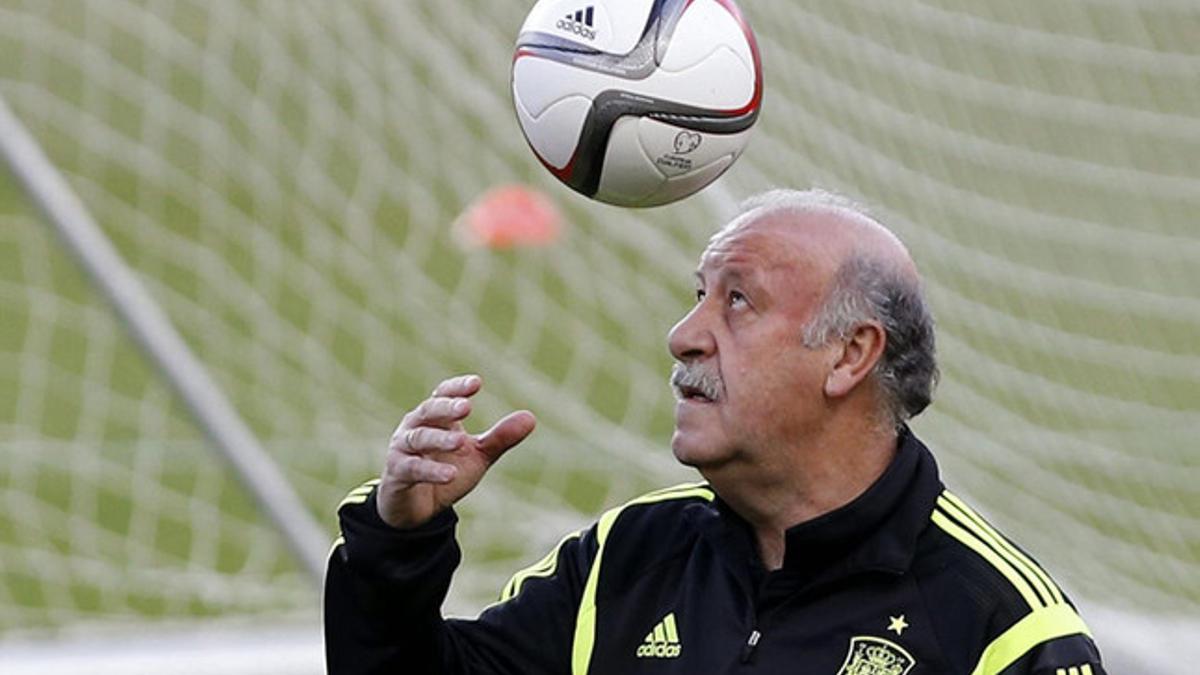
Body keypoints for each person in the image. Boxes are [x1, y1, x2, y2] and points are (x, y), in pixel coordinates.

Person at [324, 188, 1106, 675]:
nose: (683, 334)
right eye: (700, 293)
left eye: (737, 301)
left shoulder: (1003, 629)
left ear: (850, 354)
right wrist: (397, 544)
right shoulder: (626, 559)